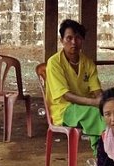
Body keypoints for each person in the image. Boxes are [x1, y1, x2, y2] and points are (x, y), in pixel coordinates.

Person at [45, 19, 106, 150]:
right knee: (95, 113)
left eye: (78, 38)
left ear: (82, 40)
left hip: (84, 107)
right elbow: (66, 96)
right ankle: (102, 155)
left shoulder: (88, 63)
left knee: (108, 112)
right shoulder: (54, 62)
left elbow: (96, 90)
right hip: (64, 109)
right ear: (61, 40)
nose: (73, 42)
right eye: (69, 38)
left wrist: (102, 100)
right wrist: (94, 102)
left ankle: (106, 153)